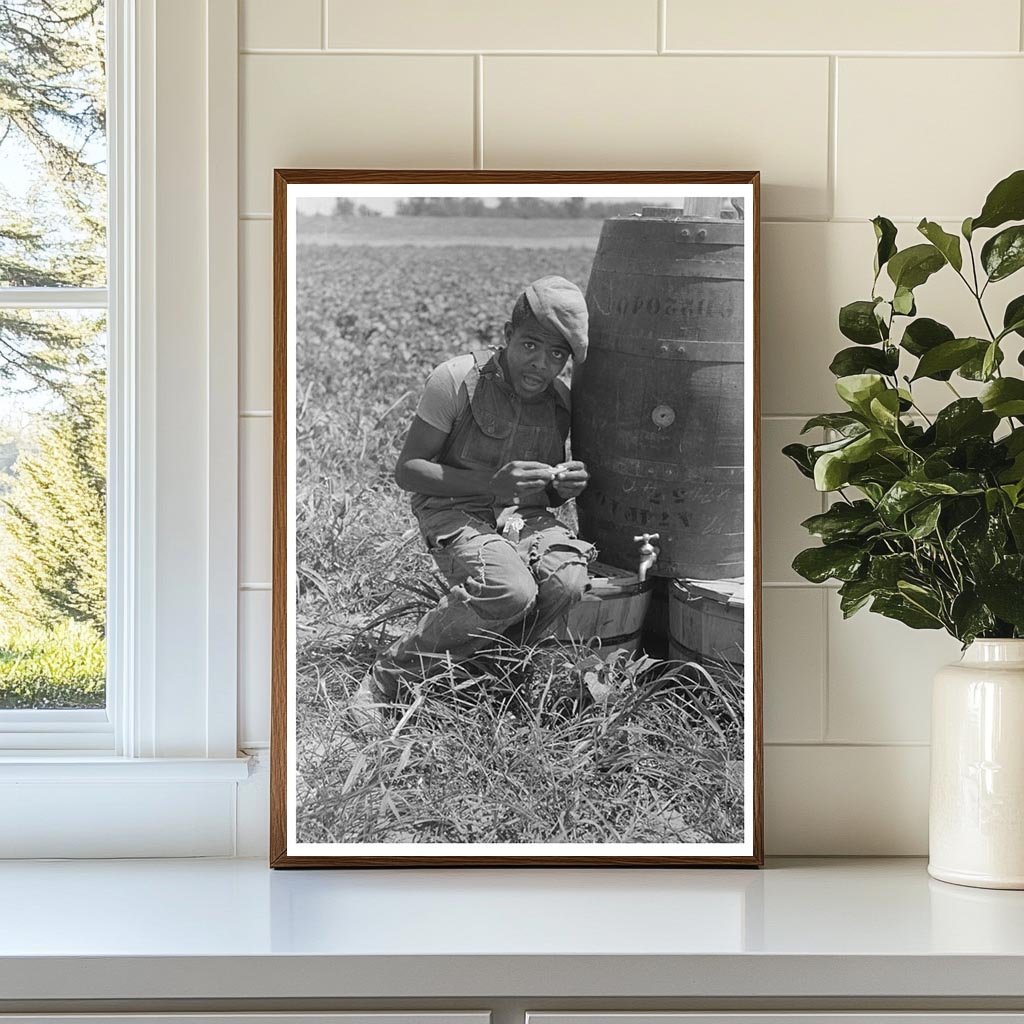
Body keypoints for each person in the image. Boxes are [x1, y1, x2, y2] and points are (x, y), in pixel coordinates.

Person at [363, 275, 597, 705]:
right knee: (510, 589)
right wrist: (491, 483)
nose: (540, 365)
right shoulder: (457, 379)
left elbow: (543, 495)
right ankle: (387, 681)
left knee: (568, 580)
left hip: (519, 517)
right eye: (530, 345)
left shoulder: (559, 402)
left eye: (556, 355)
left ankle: (489, 671)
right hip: (451, 509)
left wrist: (563, 487)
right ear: (507, 335)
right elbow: (408, 471)